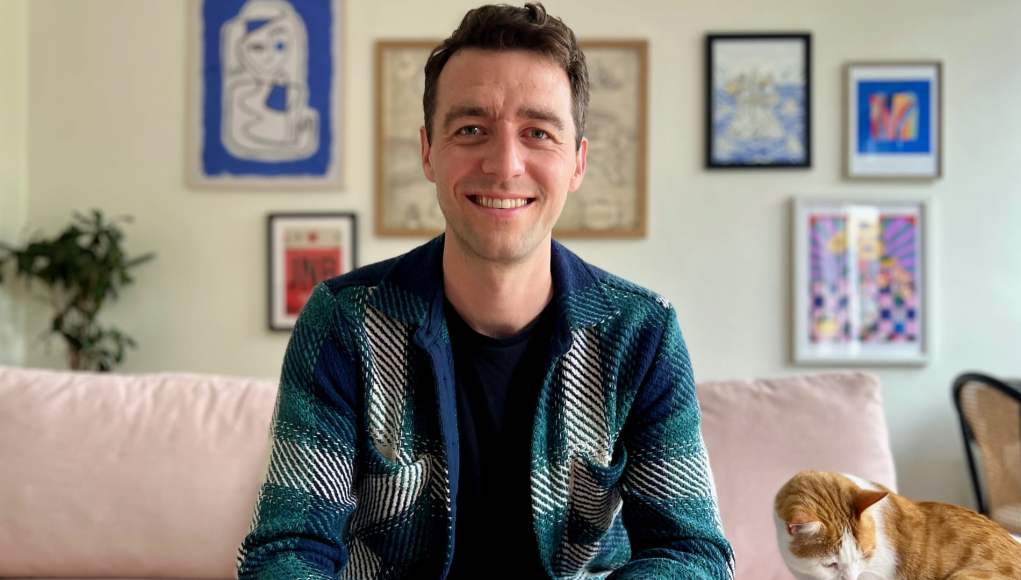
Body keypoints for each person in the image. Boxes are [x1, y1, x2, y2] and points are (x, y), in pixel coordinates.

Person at [237, 3, 734, 578]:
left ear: (577, 163)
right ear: (428, 151)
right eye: (471, 129)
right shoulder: (345, 322)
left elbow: (691, 552)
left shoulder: (640, 332)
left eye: (538, 133)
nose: (504, 164)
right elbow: (287, 550)